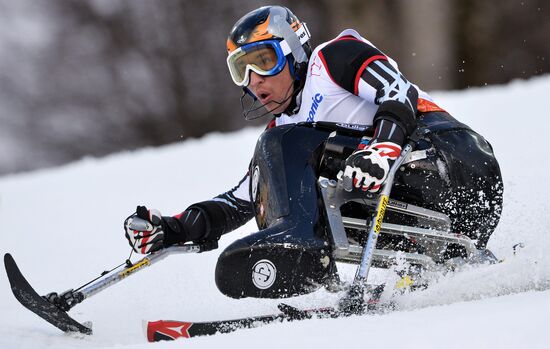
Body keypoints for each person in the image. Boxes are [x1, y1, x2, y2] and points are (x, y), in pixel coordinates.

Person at [124, 6, 503, 298]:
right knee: (277, 175)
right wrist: (175, 228)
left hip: (457, 160)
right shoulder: (286, 133)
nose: (254, 82)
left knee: (283, 148)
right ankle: (430, 265)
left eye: (264, 62)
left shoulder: (332, 60)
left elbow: (399, 92)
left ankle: (301, 246)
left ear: (293, 52)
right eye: (241, 70)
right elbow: (245, 199)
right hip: (428, 211)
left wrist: (383, 148)